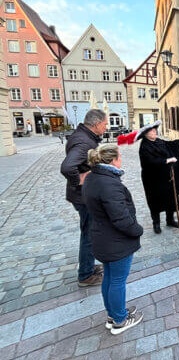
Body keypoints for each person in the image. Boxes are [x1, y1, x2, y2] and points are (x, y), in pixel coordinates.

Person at [83, 144, 144, 334]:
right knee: (117, 280)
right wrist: (137, 230)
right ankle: (120, 320)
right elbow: (121, 218)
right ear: (112, 160)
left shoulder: (93, 177)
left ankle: (114, 314)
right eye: (119, 157)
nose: (121, 160)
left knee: (109, 278)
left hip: (102, 237)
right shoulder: (109, 184)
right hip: (115, 240)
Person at [60, 109, 107, 287]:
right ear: (96, 124)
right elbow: (67, 167)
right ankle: (85, 275)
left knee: (89, 232)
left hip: (83, 195)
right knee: (89, 234)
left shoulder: (83, 136)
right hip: (84, 197)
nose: (106, 126)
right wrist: (78, 181)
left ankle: (89, 266)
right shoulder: (83, 141)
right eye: (104, 123)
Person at [136, 121, 179, 234]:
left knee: (170, 198)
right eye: (152, 130)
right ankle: (156, 223)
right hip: (152, 179)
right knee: (155, 201)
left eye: (155, 130)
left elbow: (169, 145)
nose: (155, 131)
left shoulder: (159, 141)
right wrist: (166, 160)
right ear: (145, 134)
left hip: (166, 176)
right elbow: (149, 162)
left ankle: (170, 220)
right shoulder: (144, 146)